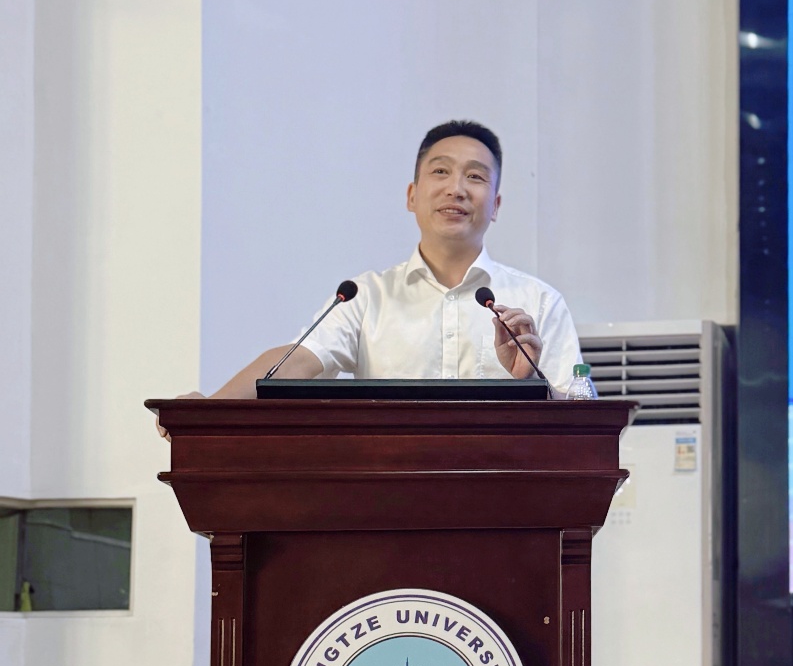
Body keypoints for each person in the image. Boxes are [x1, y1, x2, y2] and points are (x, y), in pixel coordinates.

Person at [157, 120, 581, 438]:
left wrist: (532, 385)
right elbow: (298, 359)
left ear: (496, 204)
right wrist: (209, 407)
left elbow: (586, 419)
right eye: (440, 172)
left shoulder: (538, 301)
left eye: (475, 176)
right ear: (412, 196)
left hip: (505, 505)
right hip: (387, 505)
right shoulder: (364, 297)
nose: (456, 189)